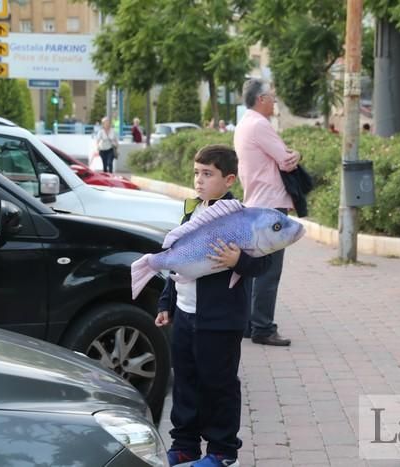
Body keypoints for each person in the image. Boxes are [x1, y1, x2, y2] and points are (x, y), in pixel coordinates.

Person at [156, 144, 271, 467]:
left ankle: (222, 451)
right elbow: (178, 263)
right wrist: (167, 302)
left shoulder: (241, 218)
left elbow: (264, 264)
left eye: (208, 174)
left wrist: (240, 260)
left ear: (229, 179)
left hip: (220, 320)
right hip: (187, 316)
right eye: (196, 173)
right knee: (186, 382)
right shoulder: (193, 212)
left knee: (218, 384)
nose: (199, 180)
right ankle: (185, 444)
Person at [234, 78, 299, 346]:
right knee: (268, 271)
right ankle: (263, 327)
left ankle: (251, 324)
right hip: (270, 205)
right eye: (272, 97)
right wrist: (297, 154)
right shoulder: (261, 125)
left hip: (255, 203)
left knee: (254, 268)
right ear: (260, 99)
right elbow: (286, 160)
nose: (274, 101)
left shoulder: (244, 123)